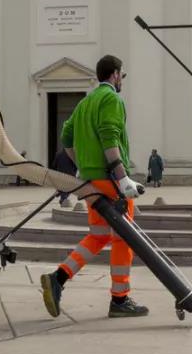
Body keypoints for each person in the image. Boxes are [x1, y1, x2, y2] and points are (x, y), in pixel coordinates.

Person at [40, 54, 149, 319]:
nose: (121, 80)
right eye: (121, 75)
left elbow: (66, 137)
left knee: (99, 236)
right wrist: (122, 178)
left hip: (89, 183)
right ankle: (120, 300)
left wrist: (82, 167)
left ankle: (59, 277)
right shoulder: (111, 99)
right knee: (124, 238)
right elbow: (109, 134)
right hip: (110, 182)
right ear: (114, 74)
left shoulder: (85, 102)